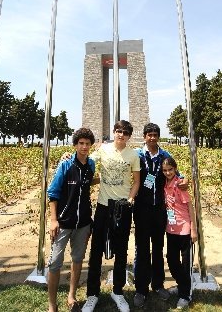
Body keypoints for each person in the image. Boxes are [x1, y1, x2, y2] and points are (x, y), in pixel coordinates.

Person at [82, 120, 140, 312]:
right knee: (96, 250)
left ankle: (118, 291)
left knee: (122, 250)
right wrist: (70, 156)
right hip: (103, 206)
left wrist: (131, 198)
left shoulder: (133, 155)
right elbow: (87, 160)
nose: (121, 134)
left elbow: (136, 181)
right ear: (113, 132)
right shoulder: (103, 150)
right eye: (118, 131)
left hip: (122, 208)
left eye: (124, 132)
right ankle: (92, 294)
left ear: (129, 136)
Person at [133, 123, 188, 308]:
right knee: (142, 249)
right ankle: (141, 289)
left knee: (157, 249)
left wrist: (185, 180)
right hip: (141, 209)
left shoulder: (165, 156)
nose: (153, 137)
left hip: (159, 210)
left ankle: (157, 285)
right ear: (144, 136)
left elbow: (177, 175)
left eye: (155, 134)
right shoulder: (137, 156)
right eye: (149, 134)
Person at [47, 127, 97, 312]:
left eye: (87, 143)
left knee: (77, 260)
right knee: (55, 264)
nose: (84, 147)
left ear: (91, 145)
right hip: (63, 223)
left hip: (83, 223)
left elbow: (89, 182)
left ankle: (71, 296)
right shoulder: (65, 165)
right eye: (81, 143)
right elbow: (53, 192)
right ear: (75, 145)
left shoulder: (91, 165)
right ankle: (52, 305)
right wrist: (53, 220)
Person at [162, 156, 197, 310]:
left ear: (175, 169)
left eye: (170, 169)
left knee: (186, 265)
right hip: (171, 229)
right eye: (165, 170)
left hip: (184, 230)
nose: (168, 172)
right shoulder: (165, 183)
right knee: (171, 260)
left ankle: (185, 295)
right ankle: (182, 285)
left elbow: (190, 207)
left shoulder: (180, 185)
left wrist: (194, 229)